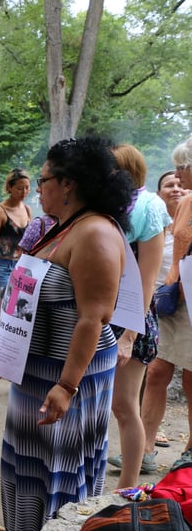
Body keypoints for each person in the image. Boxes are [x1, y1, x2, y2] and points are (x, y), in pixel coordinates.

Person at [0, 136, 132, 531]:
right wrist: (3, 347)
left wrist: (66, 386)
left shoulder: (96, 233)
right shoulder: (62, 227)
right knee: (29, 458)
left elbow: (92, 318)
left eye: (44, 179)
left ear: (67, 184)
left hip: (69, 372)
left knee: (59, 461)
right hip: (37, 369)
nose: (39, 187)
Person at [105, 144, 169, 488]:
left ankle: (127, 488)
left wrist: (128, 335)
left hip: (131, 319)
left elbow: (147, 280)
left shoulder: (149, 206)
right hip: (100, 316)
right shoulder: (108, 204)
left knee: (123, 405)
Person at [142, 138, 192, 470]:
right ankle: (145, 448)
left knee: (191, 377)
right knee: (159, 370)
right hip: (175, 302)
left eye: (182, 168)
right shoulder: (182, 206)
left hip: (188, 302)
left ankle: (190, 450)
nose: (177, 175)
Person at [0, 168, 32, 363]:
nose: (24, 192)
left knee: (17, 313)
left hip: (20, 266)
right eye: (20, 188)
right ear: (9, 187)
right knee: (3, 312)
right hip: (2, 266)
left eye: (27, 188)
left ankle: (4, 354)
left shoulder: (27, 210)